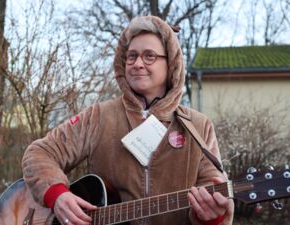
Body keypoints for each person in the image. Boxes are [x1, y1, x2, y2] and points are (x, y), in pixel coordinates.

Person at [22, 16, 234, 225]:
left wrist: (211, 217)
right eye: (131, 56)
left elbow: (214, 196)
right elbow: (39, 153)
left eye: (149, 56)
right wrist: (57, 195)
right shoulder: (98, 116)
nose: (137, 64)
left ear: (171, 64)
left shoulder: (198, 125)